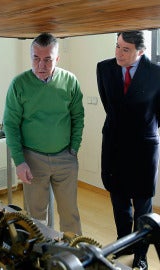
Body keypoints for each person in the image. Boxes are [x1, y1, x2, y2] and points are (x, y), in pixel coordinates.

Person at [3, 32, 84, 235]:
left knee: (70, 214)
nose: (41, 65)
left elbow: (78, 117)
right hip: (32, 159)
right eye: (36, 58)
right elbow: (10, 125)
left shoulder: (70, 81)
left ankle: (74, 259)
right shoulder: (19, 84)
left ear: (57, 58)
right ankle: (40, 259)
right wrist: (19, 161)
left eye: (48, 59)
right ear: (30, 57)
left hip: (65, 157)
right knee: (35, 217)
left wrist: (74, 149)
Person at [96, 31, 160, 270]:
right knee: (119, 203)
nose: (118, 53)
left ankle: (140, 254)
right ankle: (123, 245)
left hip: (143, 148)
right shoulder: (104, 69)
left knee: (143, 206)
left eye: (125, 49)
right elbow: (110, 106)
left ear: (140, 51)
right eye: (117, 46)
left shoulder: (156, 74)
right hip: (114, 145)